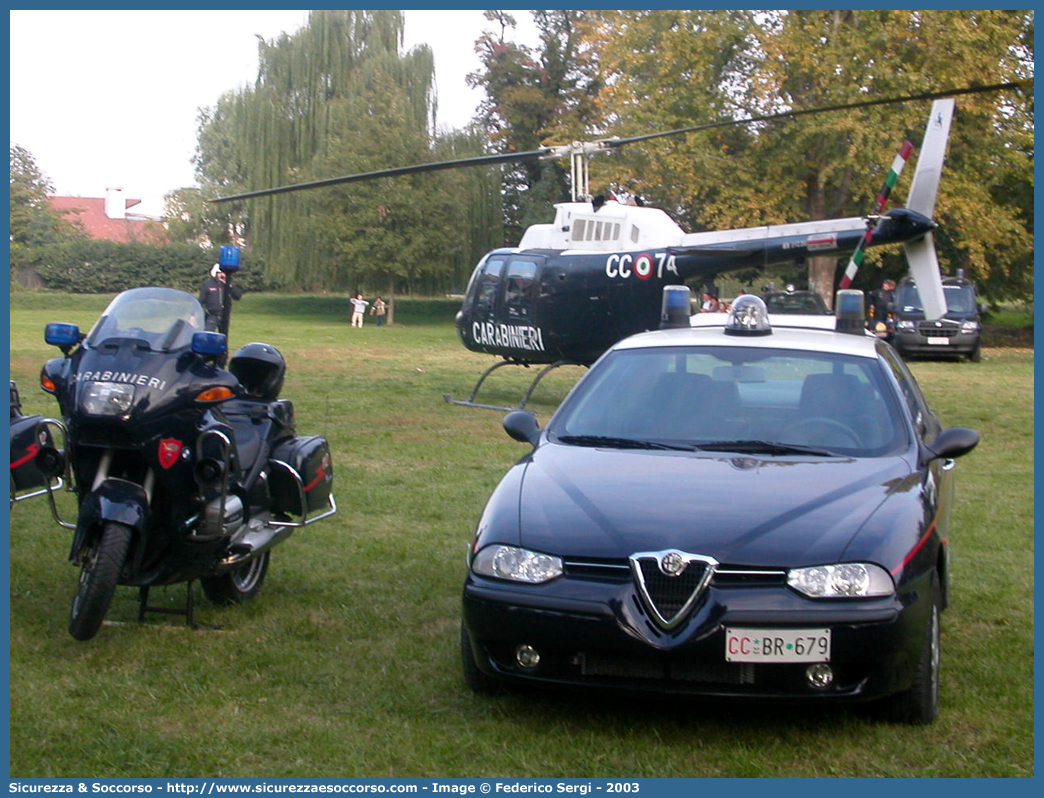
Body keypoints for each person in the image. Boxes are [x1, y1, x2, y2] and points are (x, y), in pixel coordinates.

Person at [199, 264, 241, 332]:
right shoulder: (208, 285)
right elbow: (201, 300)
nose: (222, 275)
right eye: (219, 273)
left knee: (223, 336)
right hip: (212, 316)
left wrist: (229, 285)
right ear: (215, 273)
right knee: (208, 334)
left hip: (224, 316)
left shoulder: (228, 285)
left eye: (223, 273)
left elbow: (238, 296)